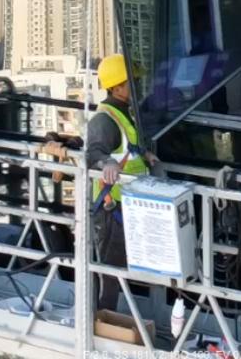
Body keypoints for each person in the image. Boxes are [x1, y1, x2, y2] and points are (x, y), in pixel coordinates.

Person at [84, 53, 160, 314]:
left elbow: (128, 147)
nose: (136, 86)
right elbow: (93, 152)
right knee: (110, 271)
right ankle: (103, 319)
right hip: (111, 208)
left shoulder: (123, 113)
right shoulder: (104, 120)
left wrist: (145, 154)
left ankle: (112, 318)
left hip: (128, 204)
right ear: (116, 87)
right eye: (131, 82)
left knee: (122, 266)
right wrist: (106, 163)